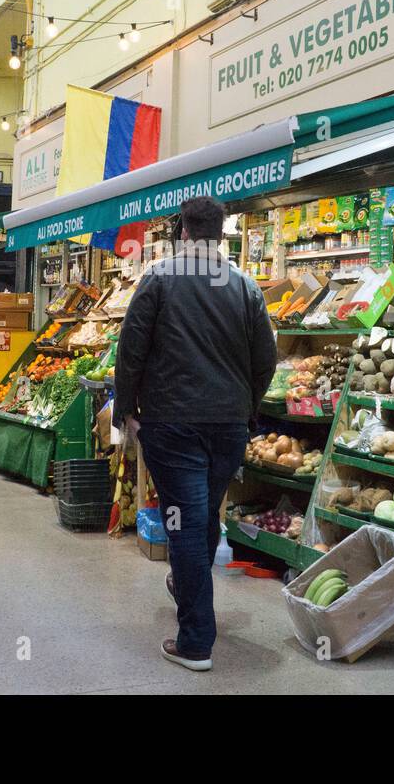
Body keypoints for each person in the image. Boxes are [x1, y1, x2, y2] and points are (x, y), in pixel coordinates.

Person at [114, 196, 276, 673]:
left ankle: (196, 642)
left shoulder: (159, 278)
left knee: (183, 523)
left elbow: (131, 349)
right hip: (228, 426)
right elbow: (265, 359)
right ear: (221, 234)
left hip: (173, 422)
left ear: (182, 232)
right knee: (203, 516)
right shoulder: (245, 285)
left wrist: (127, 409)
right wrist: (246, 406)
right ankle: (188, 589)